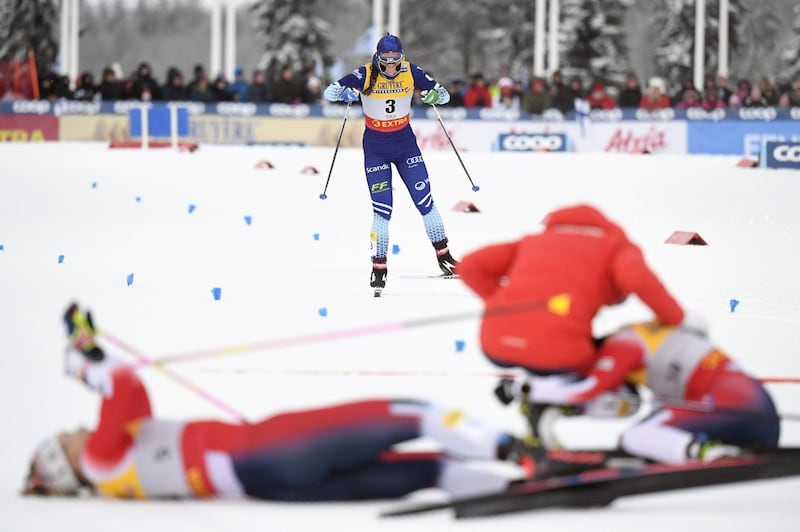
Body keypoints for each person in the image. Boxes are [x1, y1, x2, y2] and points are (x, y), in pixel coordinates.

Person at [24, 304, 522, 500]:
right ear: (65, 459)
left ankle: (505, 488)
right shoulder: (99, 459)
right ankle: (514, 453)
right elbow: (121, 386)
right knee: (415, 413)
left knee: (430, 471)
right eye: (63, 437)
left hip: (266, 482)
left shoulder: (115, 470)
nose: (73, 429)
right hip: (268, 448)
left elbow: (130, 396)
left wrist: (87, 347)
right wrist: (81, 364)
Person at [497, 320, 780, 466]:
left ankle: (707, 453)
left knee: (635, 437)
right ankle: (706, 448)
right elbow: (627, 404)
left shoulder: (621, 345)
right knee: (642, 422)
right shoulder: (642, 341)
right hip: (762, 419)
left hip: (731, 405)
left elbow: (590, 389)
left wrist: (530, 389)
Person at [457, 203, 686, 377]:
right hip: (559, 353)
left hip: (495, 344)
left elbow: (469, 266)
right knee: (622, 349)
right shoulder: (614, 246)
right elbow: (638, 278)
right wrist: (678, 320)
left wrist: (500, 300)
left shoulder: (533, 241)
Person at [323, 33, 458, 293]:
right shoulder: (365, 73)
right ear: (378, 57)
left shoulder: (411, 71)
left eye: (396, 60)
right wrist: (344, 91)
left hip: (406, 146)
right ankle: (379, 267)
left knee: (426, 203)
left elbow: (444, 95)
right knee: (382, 211)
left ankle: (445, 258)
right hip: (376, 150)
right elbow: (329, 92)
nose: (392, 66)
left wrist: (435, 97)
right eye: (387, 60)